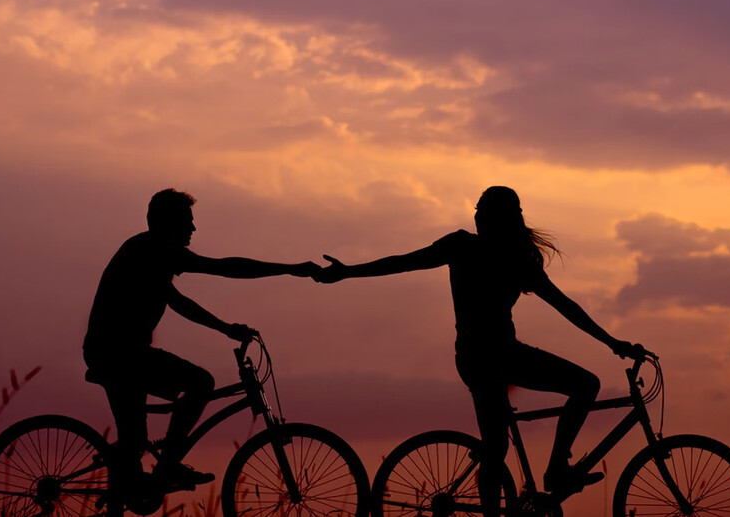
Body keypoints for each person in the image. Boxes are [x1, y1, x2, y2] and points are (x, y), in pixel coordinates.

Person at [314, 186, 645, 513]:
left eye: (482, 210)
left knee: (499, 443)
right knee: (578, 390)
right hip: (489, 357)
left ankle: (549, 472)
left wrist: (612, 343)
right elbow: (403, 263)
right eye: (477, 210)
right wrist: (348, 272)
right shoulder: (476, 249)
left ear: (497, 218)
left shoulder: (506, 257)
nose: (476, 216)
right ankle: (557, 469)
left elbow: (565, 306)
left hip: (488, 356)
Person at [83, 188, 318, 497]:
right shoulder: (155, 250)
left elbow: (178, 302)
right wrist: (289, 269)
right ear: (169, 223)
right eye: (187, 221)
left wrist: (225, 328)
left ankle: (140, 471)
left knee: (135, 442)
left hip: (123, 354)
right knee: (200, 383)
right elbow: (225, 267)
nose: (193, 229)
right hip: (118, 355)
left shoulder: (149, 254)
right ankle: (166, 465)